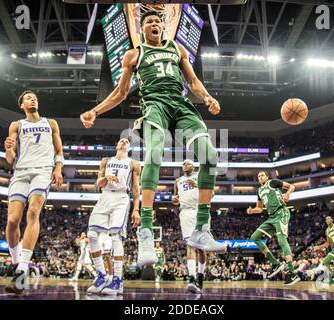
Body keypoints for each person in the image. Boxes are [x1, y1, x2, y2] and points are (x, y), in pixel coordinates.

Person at [80, 10, 226, 267]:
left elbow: (192, 81)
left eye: (158, 21)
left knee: (211, 156)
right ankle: (145, 231)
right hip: (155, 104)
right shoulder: (134, 54)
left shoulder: (178, 48)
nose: (155, 24)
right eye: (149, 22)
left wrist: (207, 97)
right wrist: (94, 110)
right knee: (155, 153)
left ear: (163, 26)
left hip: (180, 105)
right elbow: (121, 92)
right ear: (143, 28)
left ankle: (202, 229)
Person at [4, 90, 64, 295]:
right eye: (28, 98)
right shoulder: (16, 125)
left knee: (33, 212)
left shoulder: (51, 123)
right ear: (21, 105)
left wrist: (57, 169)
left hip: (42, 171)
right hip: (20, 172)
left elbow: (59, 151)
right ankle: (15, 263)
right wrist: (8, 148)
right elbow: (10, 159)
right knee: (12, 220)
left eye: (35, 97)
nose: (33, 99)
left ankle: (22, 269)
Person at [86, 138, 141, 296]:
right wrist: (106, 178)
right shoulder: (106, 161)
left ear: (129, 147)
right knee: (91, 234)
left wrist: (136, 209)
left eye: (126, 141)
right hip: (104, 197)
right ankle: (102, 275)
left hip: (121, 198)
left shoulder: (134, 164)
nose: (123, 141)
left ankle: (117, 280)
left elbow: (136, 188)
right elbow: (99, 183)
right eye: (121, 140)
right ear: (117, 145)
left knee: (116, 237)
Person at [247, 171, 300, 285]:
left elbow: (291, 186)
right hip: (271, 217)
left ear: (267, 177)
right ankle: (275, 263)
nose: (260, 177)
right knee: (254, 237)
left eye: (262, 175)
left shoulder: (273, 182)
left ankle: (292, 272)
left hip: (281, 213)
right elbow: (260, 208)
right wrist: (252, 211)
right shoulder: (259, 191)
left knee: (281, 240)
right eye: (258, 176)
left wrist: (287, 194)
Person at [172, 159, 206, 293]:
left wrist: (197, 185)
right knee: (190, 245)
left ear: (193, 166)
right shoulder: (177, 181)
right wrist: (174, 200)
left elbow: (212, 194)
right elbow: (175, 199)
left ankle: (200, 276)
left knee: (201, 248)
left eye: (188, 163)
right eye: (183, 163)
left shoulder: (200, 176)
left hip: (200, 210)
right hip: (185, 212)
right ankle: (191, 278)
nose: (185, 164)